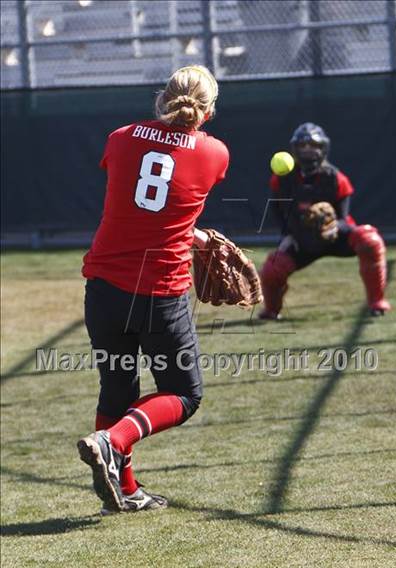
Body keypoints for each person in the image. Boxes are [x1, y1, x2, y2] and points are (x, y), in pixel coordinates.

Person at [77, 65, 229, 514]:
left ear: (163, 98)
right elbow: (173, 194)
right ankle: (112, 440)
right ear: (209, 109)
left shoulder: (120, 137)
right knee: (185, 394)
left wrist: (192, 234)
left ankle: (123, 489)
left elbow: (143, 199)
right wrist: (195, 234)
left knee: (116, 388)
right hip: (158, 292)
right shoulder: (215, 152)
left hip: (103, 285)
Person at [259, 122, 391, 320]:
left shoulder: (336, 178)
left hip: (335, 237)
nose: (308, 150)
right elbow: (276, 209)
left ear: (323, 149)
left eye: (313, 146)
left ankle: (377, 302)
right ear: (295, 149)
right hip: (302, 240)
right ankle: (271, 311)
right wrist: (286, 235)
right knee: (272, 269)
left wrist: (335, 227)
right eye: (303, 146)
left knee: (369, 240)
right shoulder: (282, 179)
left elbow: (344, 218)